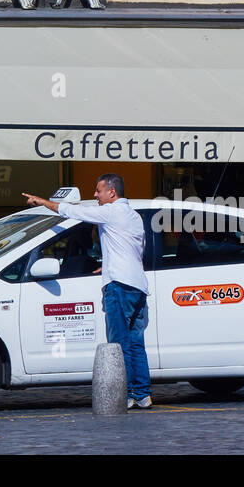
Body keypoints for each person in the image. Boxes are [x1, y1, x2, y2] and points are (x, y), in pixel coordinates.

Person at [23, 175, 152, 408]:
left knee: (118, 345)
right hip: (138, 285)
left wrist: (43, 202)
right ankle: (142, 394)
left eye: (98, 191)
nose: (95, 195)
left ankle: (123, 395)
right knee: (136, 342)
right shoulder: (133, 216)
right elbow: (134, 249)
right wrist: (110, 261)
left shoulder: (111, 212)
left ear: (112, 193)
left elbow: (72, 212)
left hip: (119, 285)